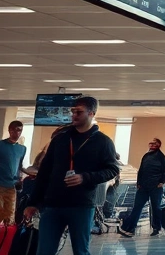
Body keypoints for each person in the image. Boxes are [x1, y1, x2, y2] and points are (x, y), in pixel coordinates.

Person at [24, 97, 120, 255]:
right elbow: (44, 172)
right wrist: (33, 202)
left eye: (79, 112)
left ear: (91, 113)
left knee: (80, 251)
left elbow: (112, 169)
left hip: (81, 205)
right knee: (44, 251)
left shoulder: (103, 142)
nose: (74, 115)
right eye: (73, 111)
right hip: (52, 204)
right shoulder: (60, 139)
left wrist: (85, 178)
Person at [117, 138, 165, 237]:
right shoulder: (146, 156)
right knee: (137, 207)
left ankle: (156, 228)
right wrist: (139, 183)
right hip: (143, 187)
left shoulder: (161, 157)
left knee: (156, 208)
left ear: (159, 145)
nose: (152, 145)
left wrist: (161, 182)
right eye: (152, 143)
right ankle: (129, 228)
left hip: (155, 187)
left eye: (155, 143)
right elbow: (141, 170)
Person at [0, 120, 27, 230]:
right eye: (15, 130)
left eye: (20, 130)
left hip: (11, 186)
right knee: (0, 211)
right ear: (10, 131)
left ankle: (5, 241)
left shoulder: (22, 149)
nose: (17, 133)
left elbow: (19, 166)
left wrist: (21, 178)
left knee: (10, 216)